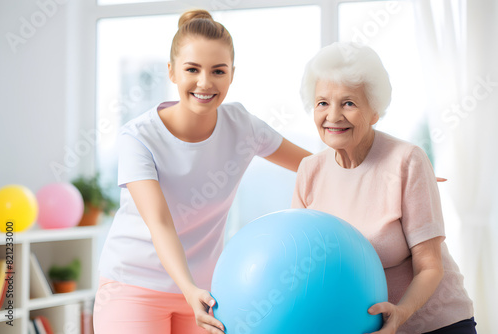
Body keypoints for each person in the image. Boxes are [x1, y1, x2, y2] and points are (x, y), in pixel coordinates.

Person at [93, 9, 310, 334]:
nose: (205, 82)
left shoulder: (243, 127)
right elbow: (160, 223)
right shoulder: (138, 137)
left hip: (206, 290)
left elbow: (312, 167)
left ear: (232, 74)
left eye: (218, 71)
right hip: (133, 285)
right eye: (192, 69)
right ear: (172, 72)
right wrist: (188, 288)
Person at [292, 42, 476, 334]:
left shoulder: (407, 160)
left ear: (375, 111)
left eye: (349, 103)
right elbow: (301, 261)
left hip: (434, 323)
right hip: (363, 326)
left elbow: (430, 266)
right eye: (322, 102)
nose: (334, 115)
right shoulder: (309, 170)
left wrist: (401, 312)